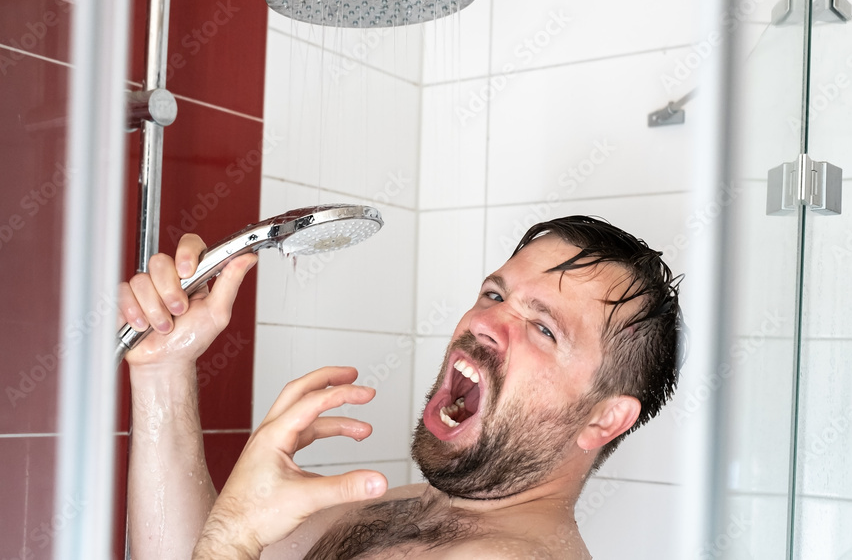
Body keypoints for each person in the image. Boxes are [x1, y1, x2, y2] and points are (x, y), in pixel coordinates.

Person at [119, 215, 684, 559]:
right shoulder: (404, 514)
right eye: (494, 295)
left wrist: (232, 539)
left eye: (542, 327)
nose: (483, 323)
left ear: (603, 420)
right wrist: (163, 372)